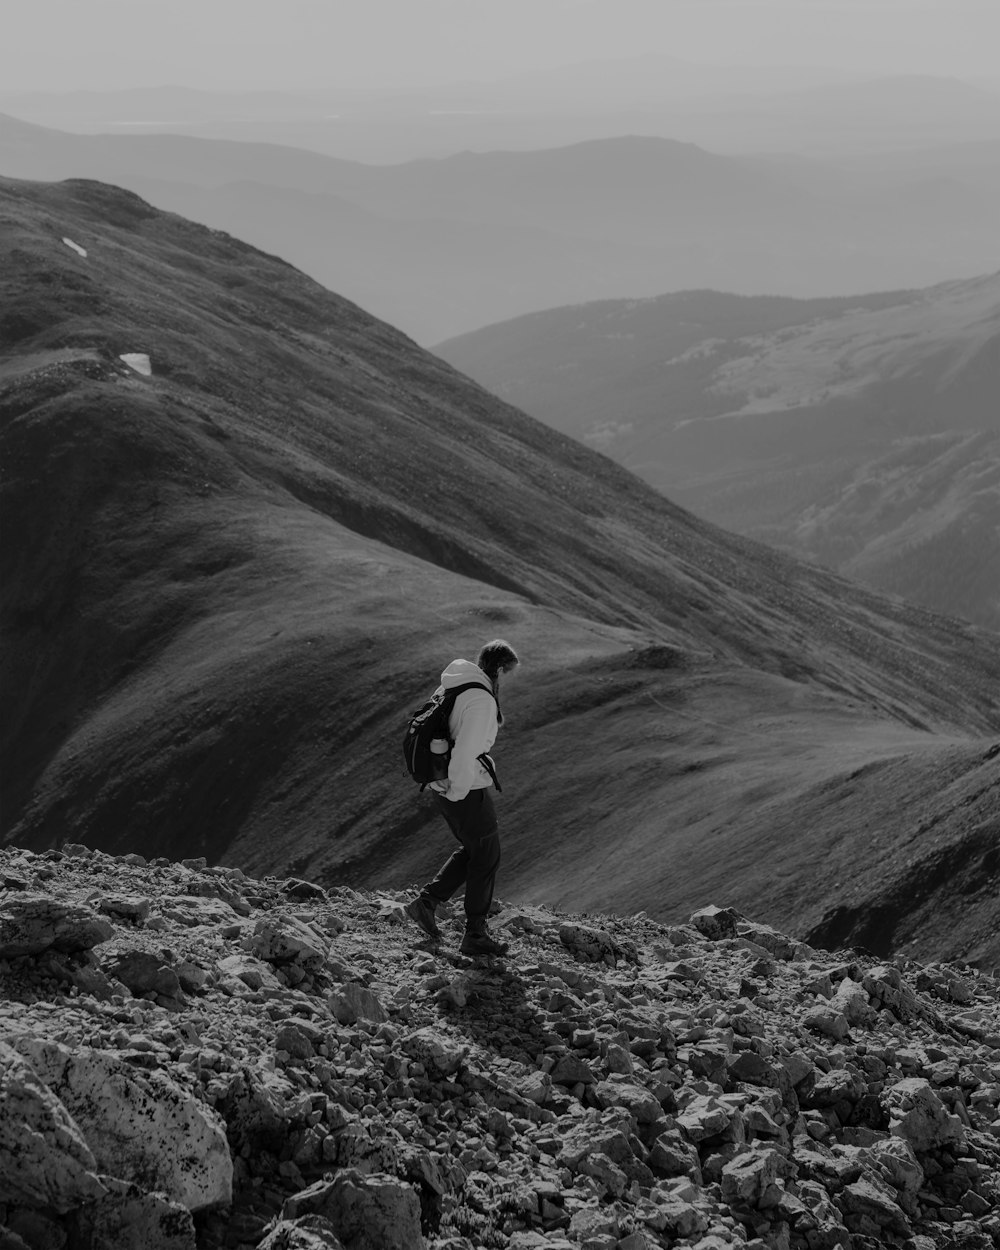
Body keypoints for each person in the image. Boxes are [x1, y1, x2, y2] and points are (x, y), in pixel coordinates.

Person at [405, 638, 519, 956]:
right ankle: (475, 934)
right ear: (497, 668)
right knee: (487, 854)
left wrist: (447, 787)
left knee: (475, 849)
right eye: (506, 673)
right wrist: (457, 790)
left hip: (442, 782)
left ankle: (426, 904)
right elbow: (466, 751)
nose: (505, 681)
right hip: (463, 787)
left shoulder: (453, 687)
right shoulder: (480, 698)